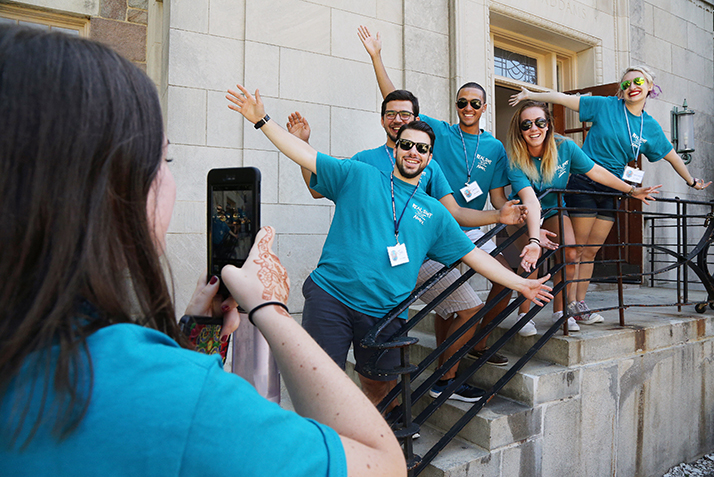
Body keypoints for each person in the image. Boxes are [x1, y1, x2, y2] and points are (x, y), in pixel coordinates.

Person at [0, 26, 407, 477]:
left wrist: (198, 334)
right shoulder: (176, 397)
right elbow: (384, 464)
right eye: (166, 159)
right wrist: (269, 309)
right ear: (112, 190)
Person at [227, 83, 554, 411]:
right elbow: (304, 155)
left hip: (384, 312)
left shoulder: (435, 213)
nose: (413, 152)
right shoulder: (360, 174)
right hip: (332, 298)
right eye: (407, 145)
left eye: (422, 149)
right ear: (396, 149)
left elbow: (476, 256)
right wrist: (262, 121)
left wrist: (521, 283)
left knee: (379, 386)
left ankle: (384, 438)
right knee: (319, 386)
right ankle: (326, 452)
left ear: (429, 158)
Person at [286, 90, 527, 397]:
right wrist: (303, 145)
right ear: (383, 119)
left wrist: (497, 216)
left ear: (416, 120)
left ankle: (430, 389)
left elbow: (452, 214)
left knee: (464, 308)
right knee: (340, 372)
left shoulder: (429, 165)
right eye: (390, 114)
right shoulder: (364, 162)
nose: (397, 120)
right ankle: (400, 405)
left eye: (405, 115)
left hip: (416, 262)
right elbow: (317, 189)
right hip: (359, 279)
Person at [357, 25, 557, 366]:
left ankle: (475, 341)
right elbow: (399, 107)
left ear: (483, 108)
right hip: (440, 225)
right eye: (462, 102)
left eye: (474, 103)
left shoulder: (494, 146)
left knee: (505, 276)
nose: (468, 107)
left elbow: (496, 197)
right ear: (456, 105)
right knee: (448, 293)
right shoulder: (441, 133)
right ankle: (448, 357)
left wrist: (517, 217)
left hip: (473, 226)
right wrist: (377, 57)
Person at [510, 66, 711, 321]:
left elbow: (671, 155)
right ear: (620, 90)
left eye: (638, 81)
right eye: (625, 84)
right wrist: (531, 94)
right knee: (576, 249)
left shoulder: (649, 126)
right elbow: (562, 98)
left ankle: (579, 304)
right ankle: (567, 306)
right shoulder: (605, 105)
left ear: (650, 86)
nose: (631, 87)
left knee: (592, 250)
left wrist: (692, 181)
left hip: (613, 187)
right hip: (584, 180)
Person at [505, 101, 661, 335]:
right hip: (522, 213)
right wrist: (535, 241)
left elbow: (596, 171)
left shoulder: (565, 148)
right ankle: (524, 315)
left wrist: (630, 190)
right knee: (531, 258)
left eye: (539, 122)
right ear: (519, 130)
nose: (533, 129)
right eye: (526, 124)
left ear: (548, 124)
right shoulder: (516, 158)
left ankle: (561, 312)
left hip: (553, 210)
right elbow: (530, 201)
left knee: (570, 252)